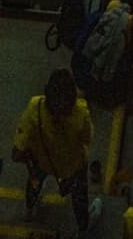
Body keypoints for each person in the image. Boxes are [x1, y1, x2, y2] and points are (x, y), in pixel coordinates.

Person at [14, 66, 102, 233]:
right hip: (74, 166)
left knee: (34, 184)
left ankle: (29, 209)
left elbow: (19, 148)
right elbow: (88, 138)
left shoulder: (36, 108)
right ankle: (83, 226)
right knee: (79, 199)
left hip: (42, 162)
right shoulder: (80, 112)